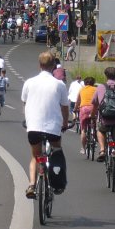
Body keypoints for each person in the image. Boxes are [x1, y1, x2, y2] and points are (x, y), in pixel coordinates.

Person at [22, 51, 70, 199]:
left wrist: (28, 120)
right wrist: (65, 122)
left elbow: (25, 103)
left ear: (39, 65)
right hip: (53, 128)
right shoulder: (59, 84)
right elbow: (64, 107)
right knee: (56, 150)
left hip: (33, 127)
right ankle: (56, 182)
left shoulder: (29, 82)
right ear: (53, 66)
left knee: (35, 156)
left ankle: (31, 185)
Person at [92, 66, 115, 182]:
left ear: (106, 76)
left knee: (100, 131)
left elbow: (95, 104)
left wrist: (93, 116)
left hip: (104, 119)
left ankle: (102, 150)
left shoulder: (100, 87)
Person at [77, 77, 97, 154]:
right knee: (94, 124)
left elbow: (78, 101)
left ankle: (83, 148)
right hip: (93, 108)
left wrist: (76, 108)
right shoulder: (95, 89)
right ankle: (94, 134)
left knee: (83, 130)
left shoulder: (81, 89)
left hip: (84, 108)